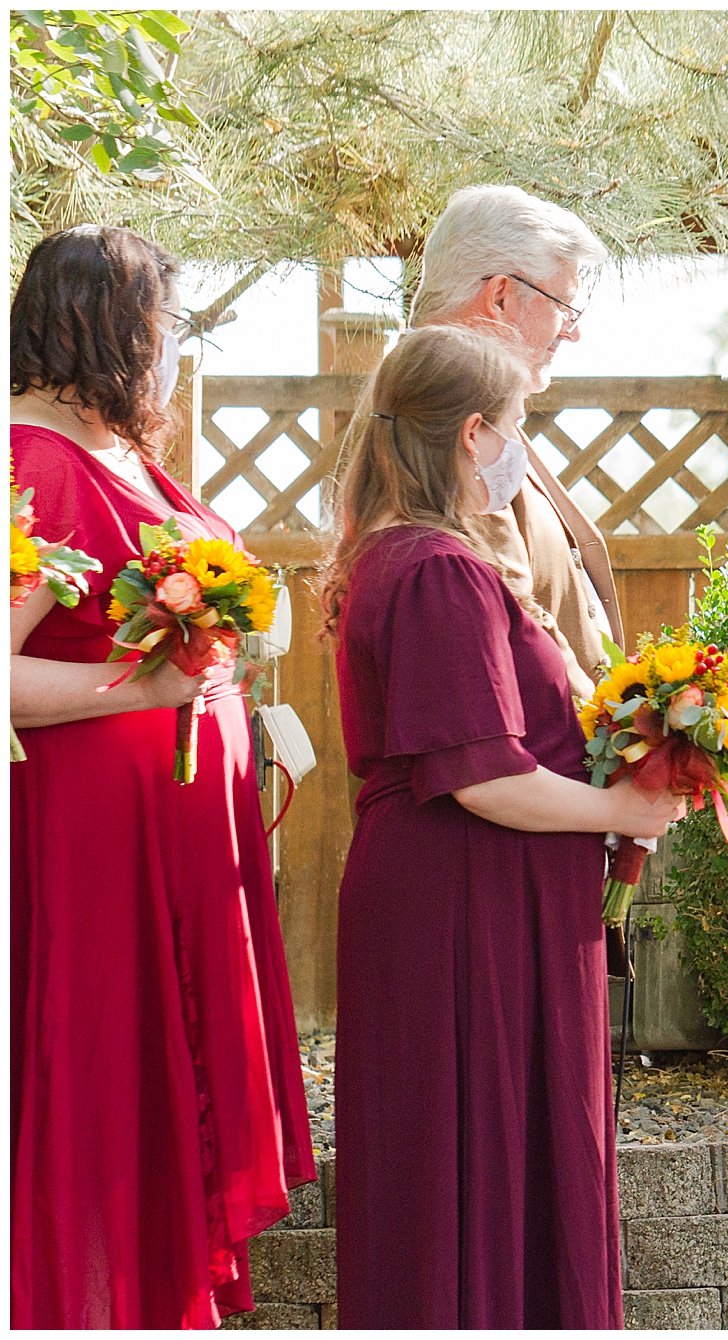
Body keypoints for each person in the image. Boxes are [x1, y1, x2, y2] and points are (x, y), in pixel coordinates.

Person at [320, 324, 683, 1328]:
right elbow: (480, 773)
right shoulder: (436, 567)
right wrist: (619, 805)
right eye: (519, 423)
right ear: (475, 434)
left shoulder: (411, 555)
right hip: (461, 903)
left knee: (494, 1155)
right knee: (465, 1160)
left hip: (490, 897)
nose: (523, 445)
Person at [10, 224, 315, 1327]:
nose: (173, 348)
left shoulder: (117, 452)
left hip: (180, 841)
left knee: (158, 1083)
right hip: (96, 844)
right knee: (105, 1082)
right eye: (166, 326)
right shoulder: (31, 461)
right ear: (109, 327)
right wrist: (145, 696)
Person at [408, 183, 622, 700]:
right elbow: (516, 616)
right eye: (564, 305)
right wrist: (628, 744)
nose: (571, 332)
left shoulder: (473, 408)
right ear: (501, 295)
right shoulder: (438, 417)